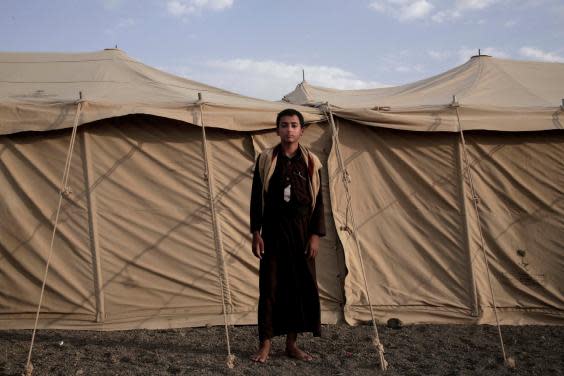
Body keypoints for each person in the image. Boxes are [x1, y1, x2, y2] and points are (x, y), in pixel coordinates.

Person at [249, 108, 326, 363]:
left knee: (299, 287)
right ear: (277, 129)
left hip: (302, 233)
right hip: (273, 231)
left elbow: (319, 202)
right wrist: (255, 232)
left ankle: (291, 344)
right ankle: (266, 344)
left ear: (301, 130)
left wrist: (315, 235)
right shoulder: (265, 160)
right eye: (284, 125)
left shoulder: (312, 162)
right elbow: (256, 200)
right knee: (270, 287)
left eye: (294, 125)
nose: (289, 129)